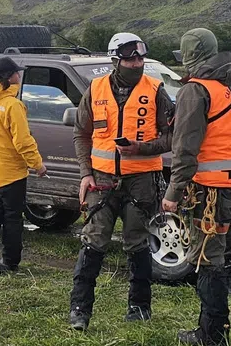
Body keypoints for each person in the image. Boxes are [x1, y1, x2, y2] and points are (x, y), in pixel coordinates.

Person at [162, 28, 231, 346]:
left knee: (208, 260)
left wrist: (172, 194)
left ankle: (212, 334)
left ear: (190, 57)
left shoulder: (196, 91)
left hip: (212, 193)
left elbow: (184, 150)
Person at [68, 32, 174, 330]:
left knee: (137, 242)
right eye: (131, 58)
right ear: (116, 60)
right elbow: (81, 133)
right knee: (94, 240)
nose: (137, 62)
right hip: (101, 180)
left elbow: (171, 136)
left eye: (140, 57)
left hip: (141, 180)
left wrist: (141, 149)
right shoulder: (96, 89)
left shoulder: (156, 90)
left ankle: (139, 308)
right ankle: (80, 310)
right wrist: (85, 174)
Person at [0, 56, 47, 274]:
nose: (19, 75)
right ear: (7, 77)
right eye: (16, 72)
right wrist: (38, 165)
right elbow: (23, 142)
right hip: (10, 174)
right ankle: (11, 262)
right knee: (13, 218)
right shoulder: (13, 105)